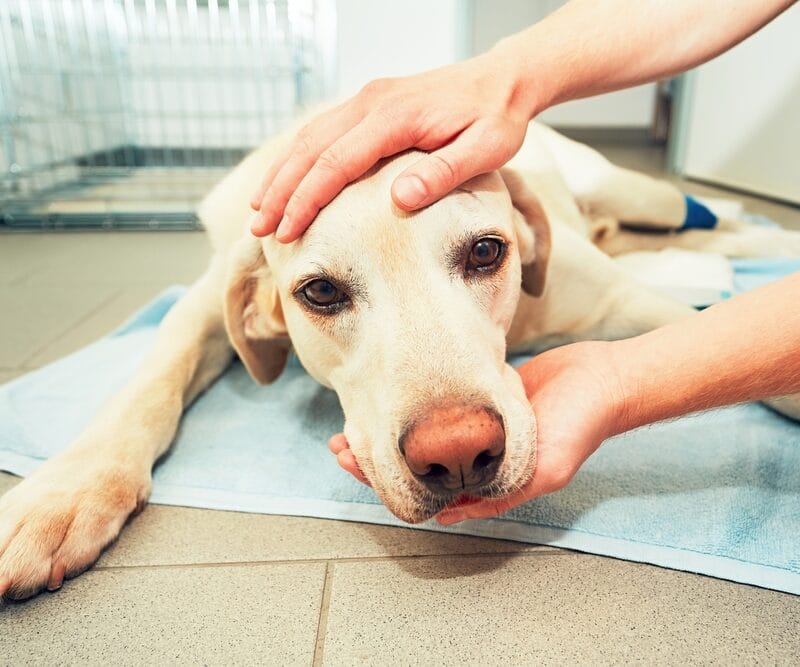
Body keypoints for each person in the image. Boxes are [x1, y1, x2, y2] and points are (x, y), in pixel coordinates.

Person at [251, 0, 800, 522]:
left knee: (650, 203)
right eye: (325, 292)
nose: (456, 441)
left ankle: (713, 220)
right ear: (263, 310)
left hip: (559, 177)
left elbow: (625, 302)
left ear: (530, 240)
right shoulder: (260, 236)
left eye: (482, 255)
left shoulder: (524, 212)